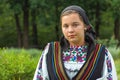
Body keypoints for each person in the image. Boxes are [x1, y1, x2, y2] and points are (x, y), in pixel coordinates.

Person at [33, 5, 117, 80]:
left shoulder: (101, 53)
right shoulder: (50, 51)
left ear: (85, 26)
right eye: (65, 26)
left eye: (75, 25)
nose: (70, 30)